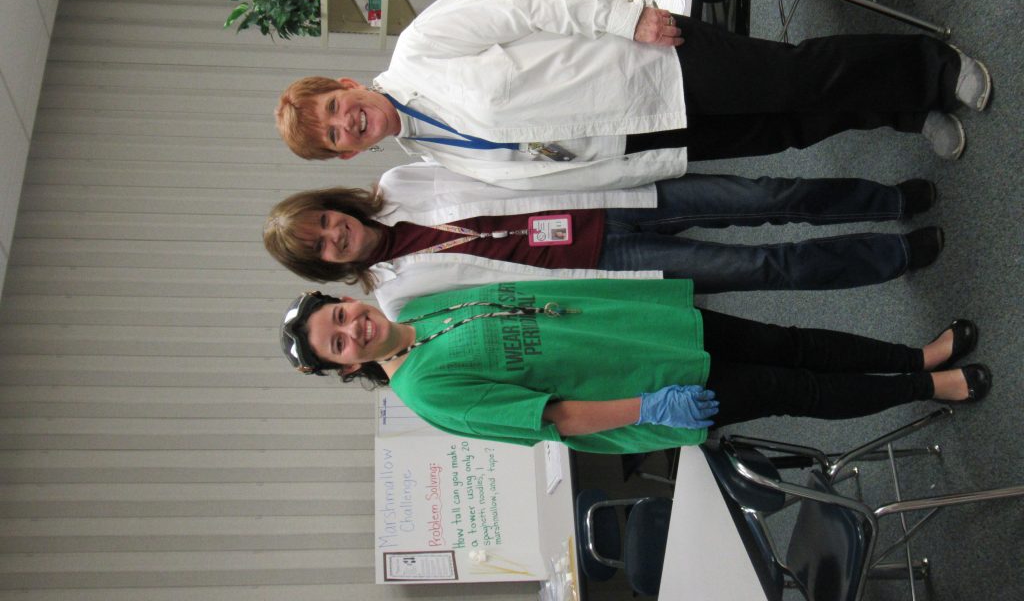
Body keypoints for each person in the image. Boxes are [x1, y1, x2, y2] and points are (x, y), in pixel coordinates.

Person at [274, 0, 991, 191]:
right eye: (335, 136)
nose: (347, 122)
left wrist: (626, 16)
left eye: (335, 108)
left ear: (344, 84)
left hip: (644, 63)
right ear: (347, 154)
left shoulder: (423, 46)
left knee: (796, 77)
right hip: (641, 141)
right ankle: (905, 109)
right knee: (788, 128)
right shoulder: (432, 157)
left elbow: (534, 7)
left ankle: (933, 67)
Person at [278, 279, 990, 455]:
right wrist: (652, 409)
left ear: (346, 298)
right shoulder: (427, 392)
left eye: (340, 315)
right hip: (654, 387)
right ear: (346, 368)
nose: (352, 328)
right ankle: (927, 386)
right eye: (338, 343)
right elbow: (552, 417)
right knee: (795, 389)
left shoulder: (419, 308)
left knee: (792, 342)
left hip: (650, 331)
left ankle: (916, 354)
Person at [264, 163, 943, 318]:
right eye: (320, 247)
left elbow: (495, 167)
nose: (335, 234)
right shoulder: (395, 300)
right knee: (763, 267)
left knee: (765, 197)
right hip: (605, 263)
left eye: (323, 220)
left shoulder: (398, 183)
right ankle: (897, 255)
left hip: (602, 196)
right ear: (323, 267)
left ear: (332, 205)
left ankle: (887, 201)